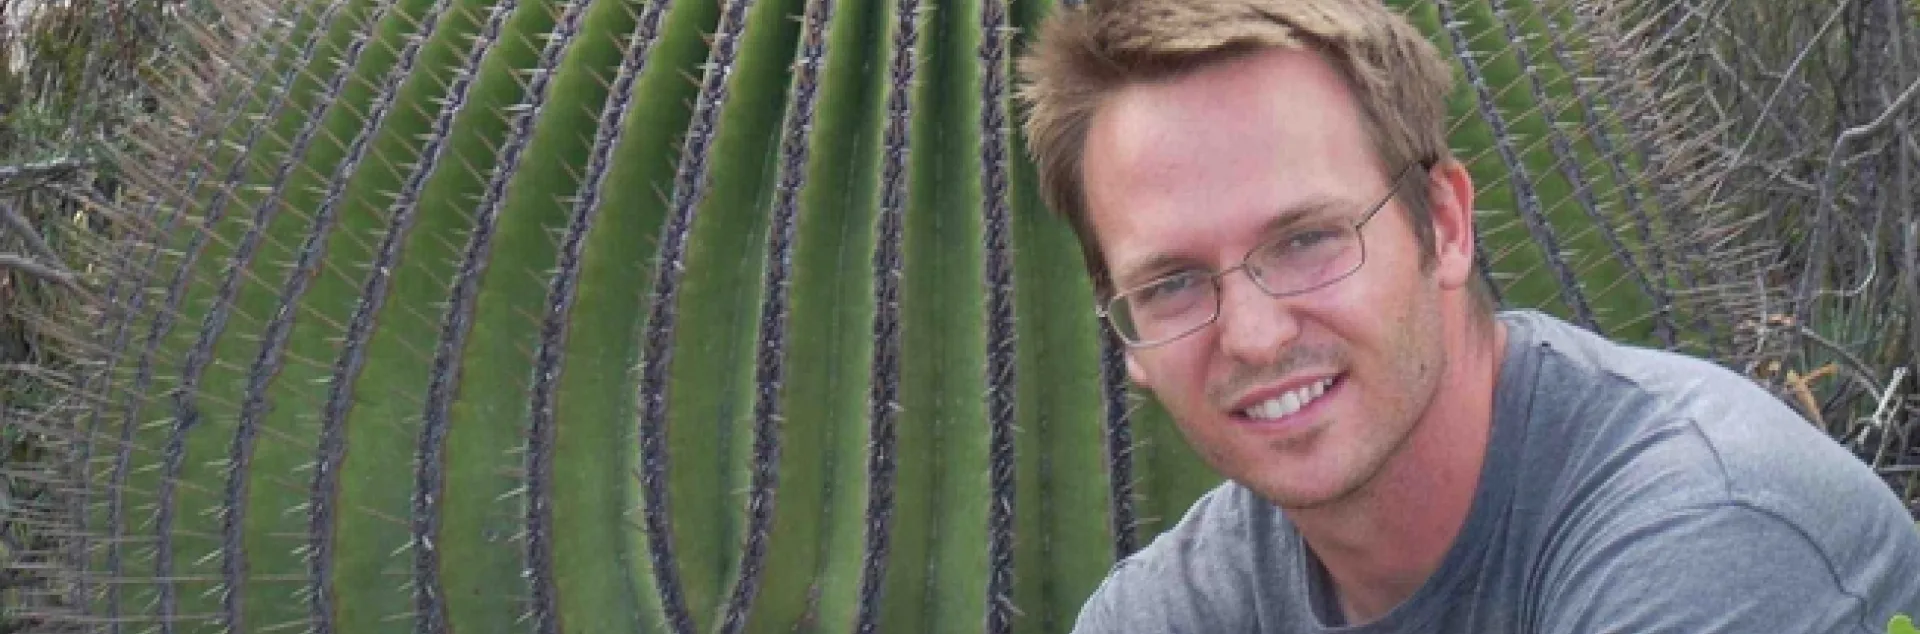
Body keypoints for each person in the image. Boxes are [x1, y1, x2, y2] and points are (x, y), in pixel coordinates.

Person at [1013, 0, 1920, 631]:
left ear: (1444, 224)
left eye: (1308, 240)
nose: (1253, 334)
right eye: (1172, 283)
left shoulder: (1714, 537)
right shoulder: (1174, 608)